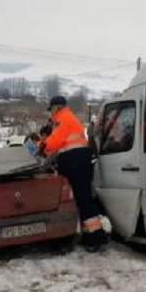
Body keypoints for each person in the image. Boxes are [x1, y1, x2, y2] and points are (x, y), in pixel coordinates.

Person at [42, 95, 107, 252]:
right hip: (77, 159)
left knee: (83, 198)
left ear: (57, 107)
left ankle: (95, 238)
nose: (51, 112)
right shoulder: (65, 117)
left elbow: (55, 141)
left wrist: (41, 144)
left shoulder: (63, 118)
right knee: (81, 198)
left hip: (75, 160)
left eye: (51, 109)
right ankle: (90, 235)